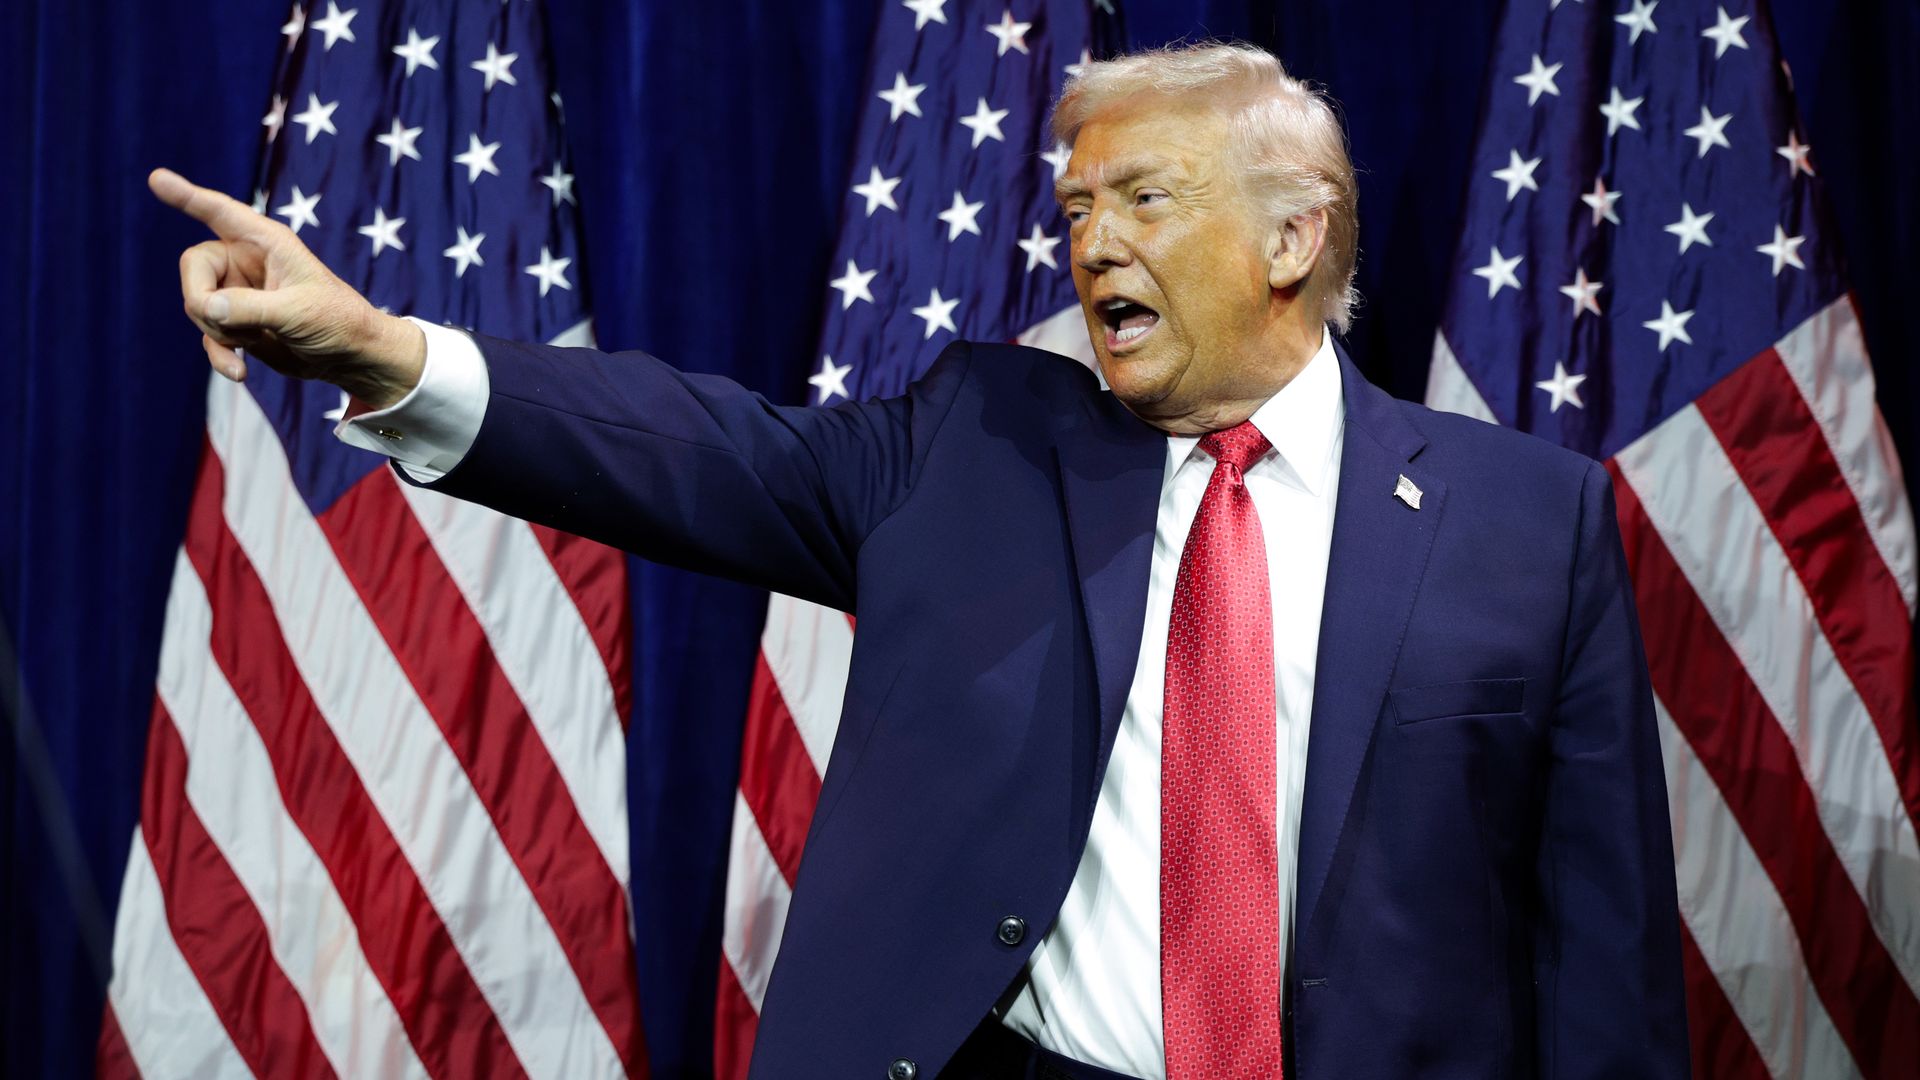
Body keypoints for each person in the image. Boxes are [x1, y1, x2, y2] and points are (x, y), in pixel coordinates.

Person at [153, 42, 1687, 1080]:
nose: (1092, 244)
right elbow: (699, 448)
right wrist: (381, 349)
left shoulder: (1528, 523)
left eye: (1145, 198)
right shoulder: (980, 444)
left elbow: (1604, 949)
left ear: (1293, 240)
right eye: (1078, 206)